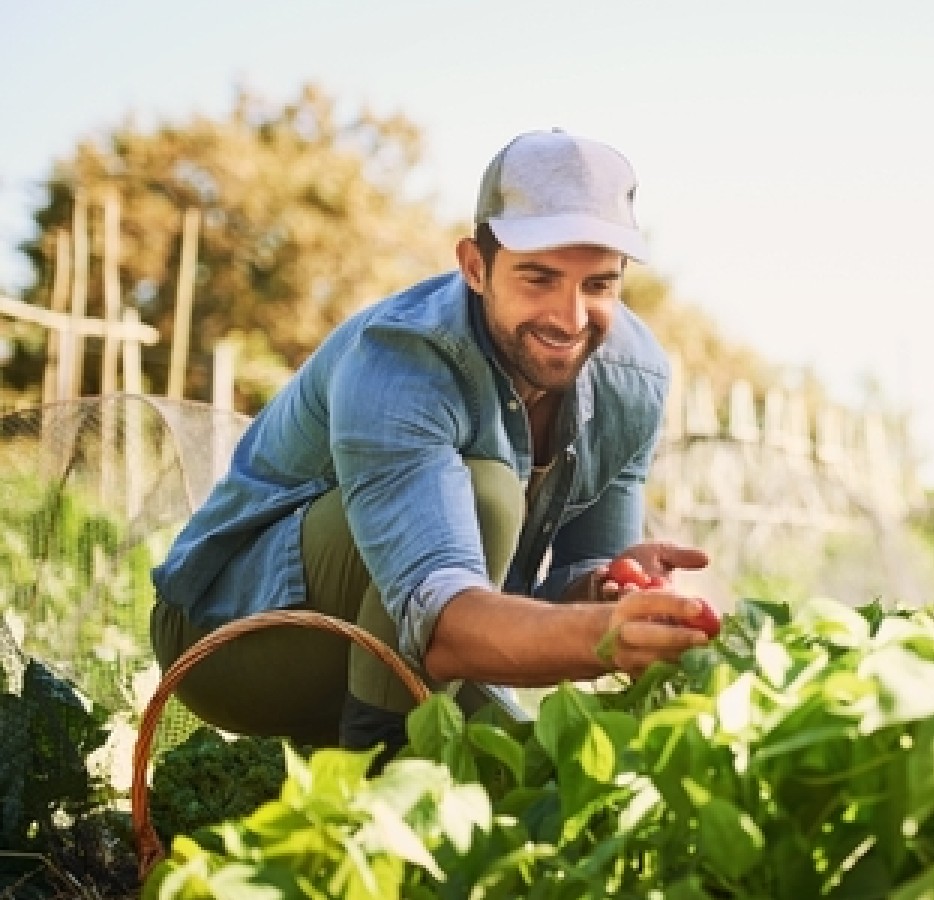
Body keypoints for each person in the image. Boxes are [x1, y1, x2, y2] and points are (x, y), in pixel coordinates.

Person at [150, 129, 714, 756]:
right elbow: (440, 619)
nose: (571, 318)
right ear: (475, 267)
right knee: (487, 491)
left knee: (532, 772)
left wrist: (610, 589)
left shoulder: (632, 379)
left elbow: (571, 585)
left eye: (599, 285)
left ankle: (377, 752)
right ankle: (377, 779)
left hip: (401, 638)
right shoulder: (400, 361)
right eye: (538, 279)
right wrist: (605, 637)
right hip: (229, 636)